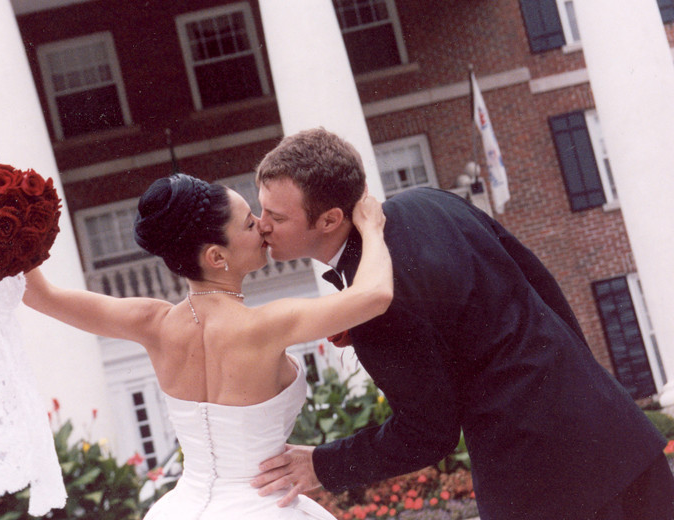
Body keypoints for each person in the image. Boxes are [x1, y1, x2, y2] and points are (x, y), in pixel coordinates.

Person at [250, 128, 674, 520]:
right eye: (260, 208)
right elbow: (541, 286)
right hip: (620, 435)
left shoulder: (373, 303)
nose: (262, 225)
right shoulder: (433, 202)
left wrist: (323, 464)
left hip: (549, 489)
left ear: (329, 220)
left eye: (277, 216)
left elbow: (428, 435)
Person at [22, 173, 393, 519]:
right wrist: (372, 228)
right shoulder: (266, 325)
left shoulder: (152, 323)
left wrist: (6, 224)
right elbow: (375, 294)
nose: (263, 226)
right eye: (249, 223)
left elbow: (39, 295)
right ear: (217, 257)